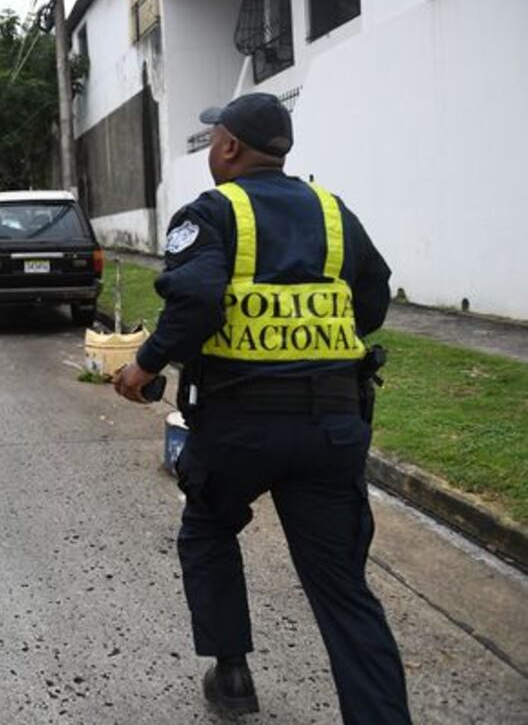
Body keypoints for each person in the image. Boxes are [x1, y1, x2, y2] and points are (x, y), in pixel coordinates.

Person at [113, 93, 411, 723]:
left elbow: (195, 300)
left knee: (211, 526)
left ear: (229, 148)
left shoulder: (212, 212)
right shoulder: (335, 213)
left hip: (239, 428)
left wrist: (144, 364)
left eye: (214, 138)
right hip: (330, 428)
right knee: (342, 590)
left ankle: (233, 675)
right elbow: (374, 302)